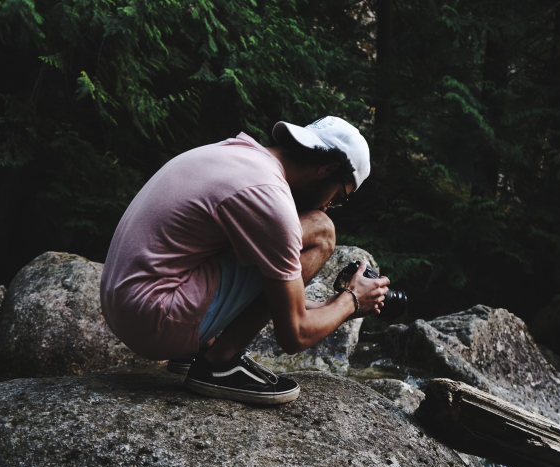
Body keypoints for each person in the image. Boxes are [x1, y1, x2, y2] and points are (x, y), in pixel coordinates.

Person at [100, 116, 390, 405]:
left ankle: (195, 347)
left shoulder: (235, 153)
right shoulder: (269, 197)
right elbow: (294, 334)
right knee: (321, 230)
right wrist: (351, 300)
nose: (329, 205)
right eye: (338, 196)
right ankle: (218, 363)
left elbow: (271, 296)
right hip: (154, 321)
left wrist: (328, 307)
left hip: (125, 305)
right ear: (326, 168)